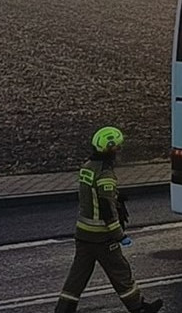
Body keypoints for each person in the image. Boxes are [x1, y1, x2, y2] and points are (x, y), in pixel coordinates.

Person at [55, 127, 163, 313]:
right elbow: (106, 209)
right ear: (110, 149)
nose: (119, 151)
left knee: (77, 277)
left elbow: (92, 197)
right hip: (102, 237)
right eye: (118, 148)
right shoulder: (105, 174)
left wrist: (116, 196)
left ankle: (63, 310)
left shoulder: (87, 166)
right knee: (121, 272)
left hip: (83, 233)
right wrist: (119, 235)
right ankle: (138, 308)